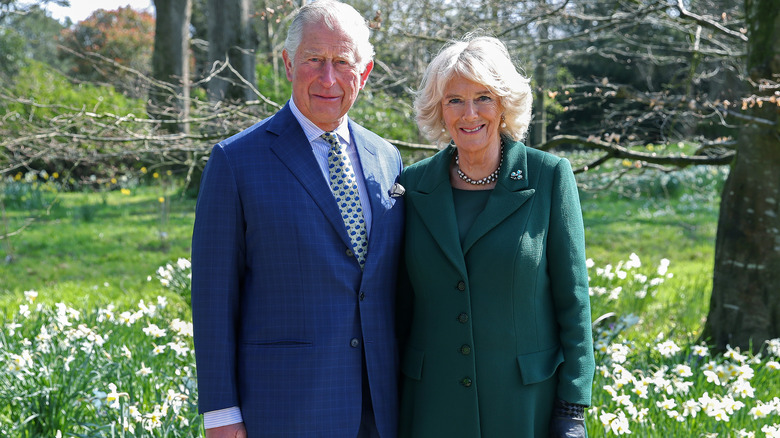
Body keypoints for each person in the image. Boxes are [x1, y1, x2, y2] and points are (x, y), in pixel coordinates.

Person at [190, 1, 404, 437]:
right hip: (285, 408)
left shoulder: (387, 159)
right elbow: (213, 297)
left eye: (342, 62)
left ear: (363, 73)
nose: (328, 78)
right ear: (288, 64)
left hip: (381, 406)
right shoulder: (235, 161)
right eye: (314, 60)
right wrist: (220, 413)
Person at [397, 34, 595, 437]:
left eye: (483, 97)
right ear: (439, 110)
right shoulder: (412, 186)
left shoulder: (549, 176)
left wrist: (572, 408)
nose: (469, 113)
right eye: (454, 100)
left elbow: (574, 303)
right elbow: (399, 303)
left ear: (504, 103)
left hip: (524, 405)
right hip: (433, 405)